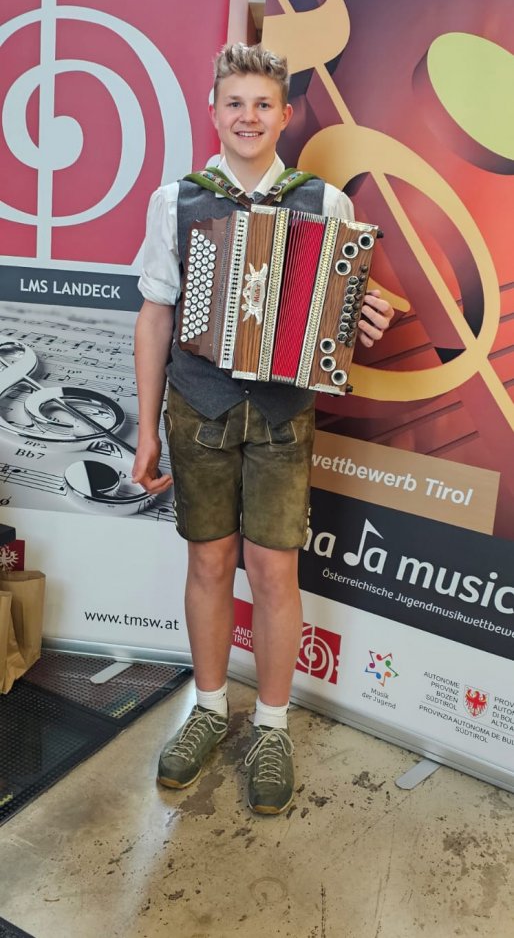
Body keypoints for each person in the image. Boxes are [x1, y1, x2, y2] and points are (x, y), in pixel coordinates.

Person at [133, 43, 393, 816]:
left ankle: (273, 726)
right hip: (199, 408)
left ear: (284, 115)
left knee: (275, 572)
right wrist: (145, 428)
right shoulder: (178, 200)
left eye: (262, 104)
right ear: (214, 112)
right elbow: (155, 318)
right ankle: (210, 708)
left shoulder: (324, 202)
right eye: (234, 103)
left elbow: (342, 311)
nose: (248, 117)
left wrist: (365, 313)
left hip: (282, 417)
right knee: (209, 562)